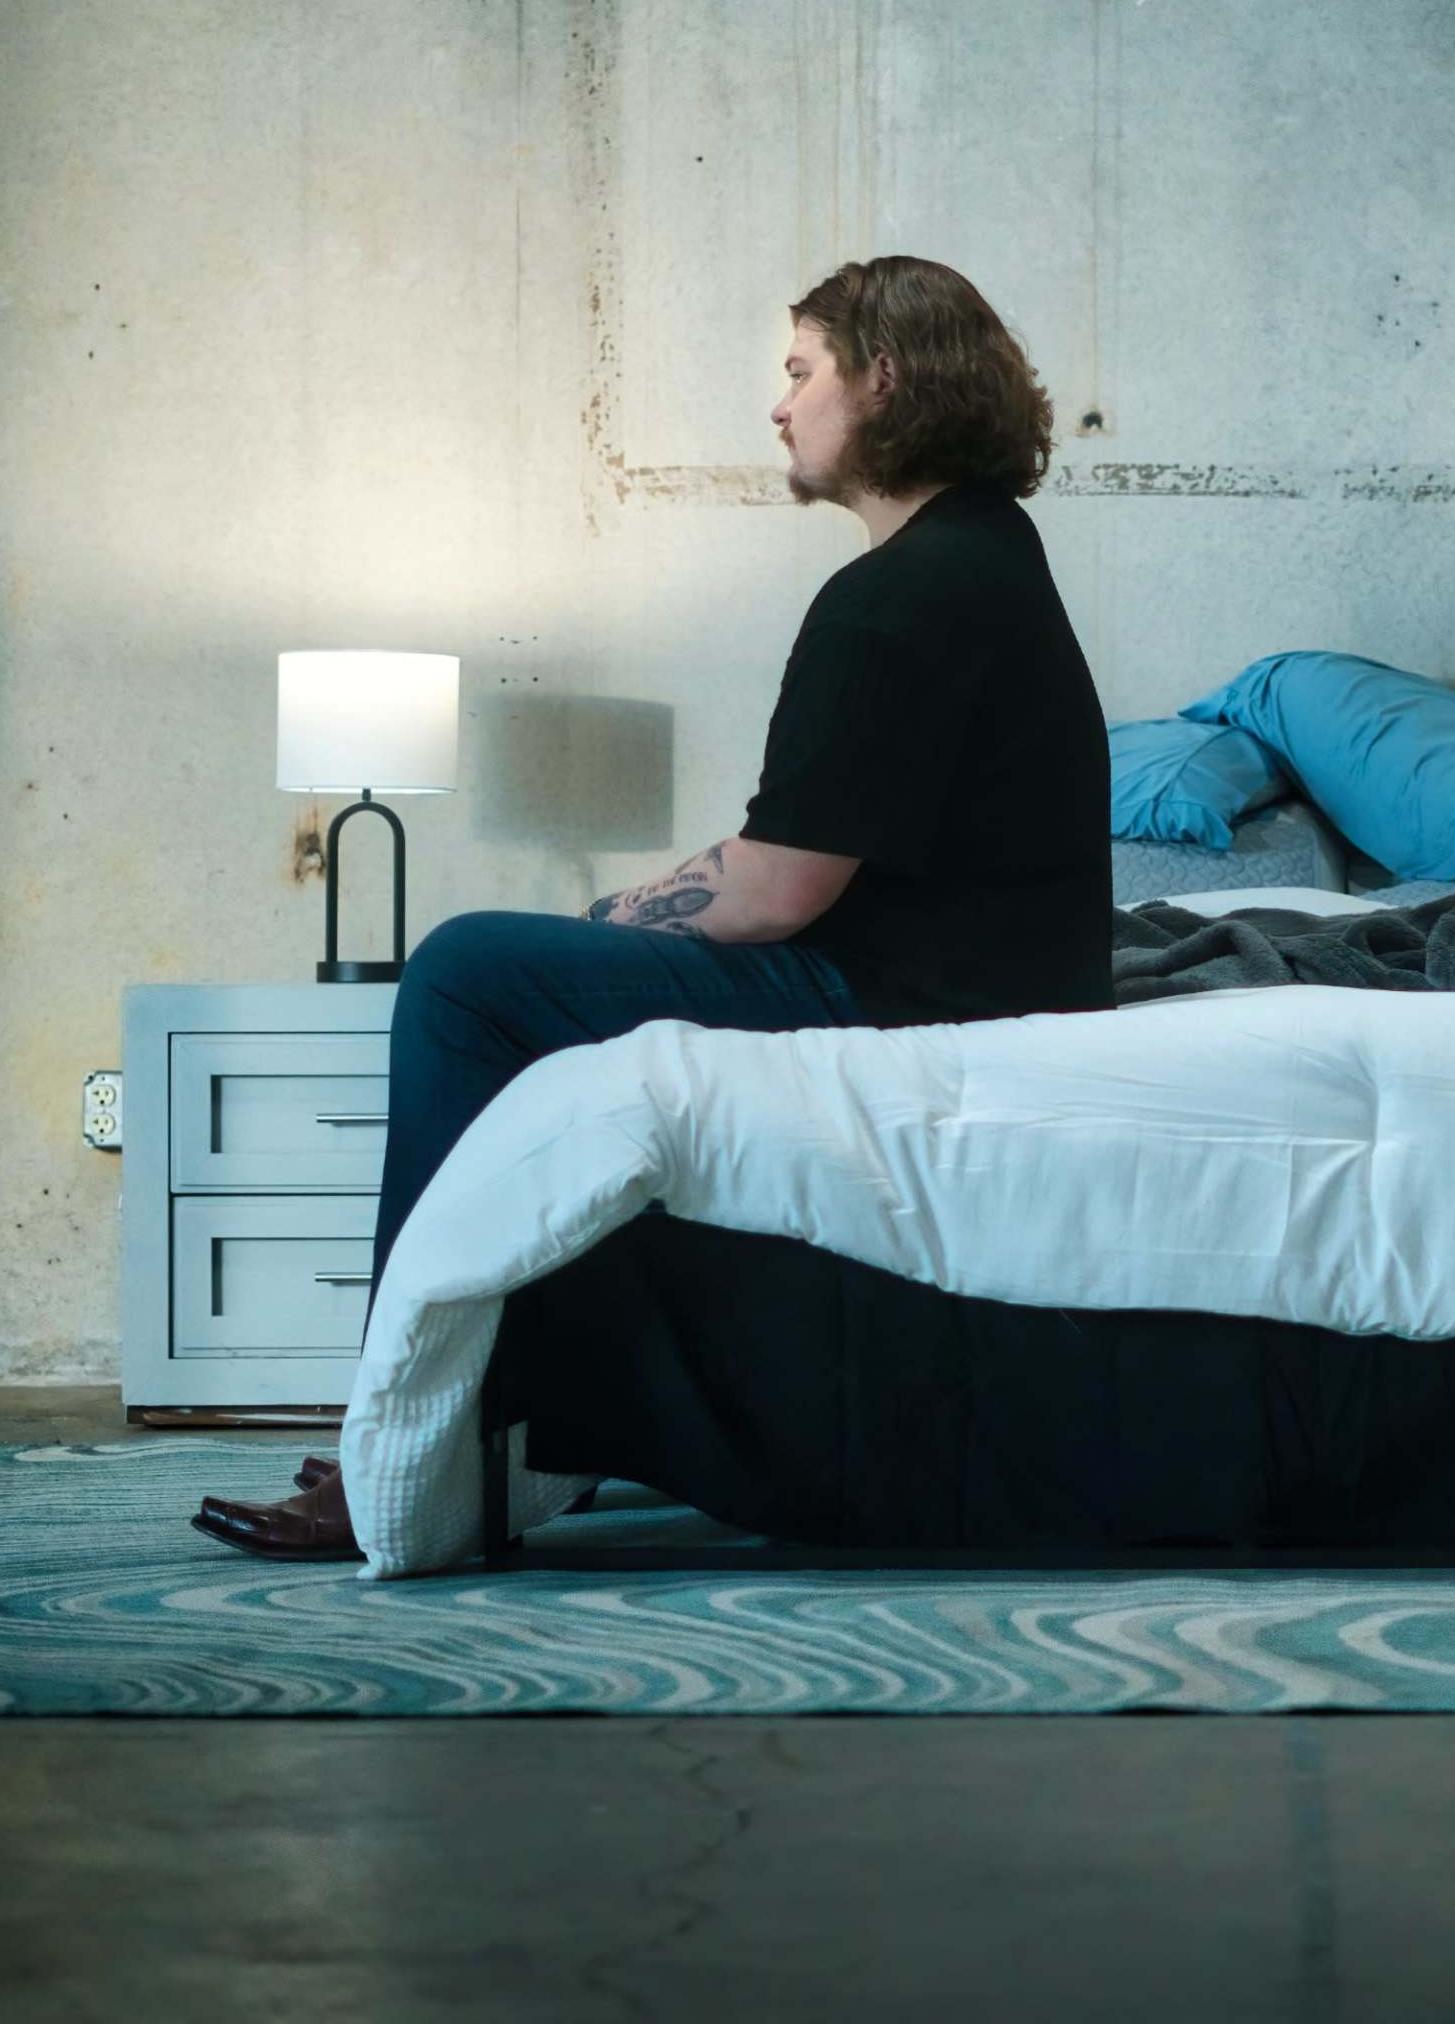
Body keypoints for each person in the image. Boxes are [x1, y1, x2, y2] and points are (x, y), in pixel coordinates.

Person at [194, 257, 1114, 1559]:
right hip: (975, 989)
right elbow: (795, 851)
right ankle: (540, 1427)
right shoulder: (983, 559)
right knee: (545, 968)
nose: (779, 408)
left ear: (885, 380)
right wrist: (624, 914)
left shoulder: (901, 595)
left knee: (466, 970)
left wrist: (610, 918)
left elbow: (774, 895)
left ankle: (408, 1442)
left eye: (802, 372)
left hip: (912, 1010)